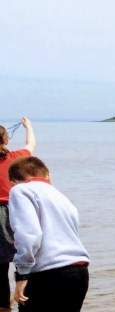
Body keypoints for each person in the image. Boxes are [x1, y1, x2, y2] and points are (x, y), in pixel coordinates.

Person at [8, 156, 90, 311]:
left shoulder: (20, 190)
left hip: (49, 274)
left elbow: (28, 235)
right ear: (47, 175)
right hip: (79, 272)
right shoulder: (60, 196)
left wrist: (22, 274)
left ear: (13, 181)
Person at [0, 117, 34, 312]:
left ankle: (4, 307)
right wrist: (28, 127)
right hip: (13, 211)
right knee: (25, 258)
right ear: (6, 140)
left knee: (0, 268)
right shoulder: (14, 157)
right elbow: (31, 145)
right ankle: (24, 298)